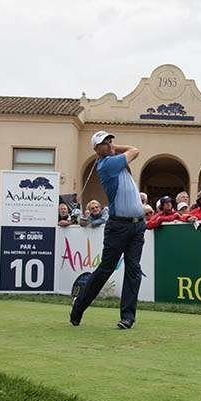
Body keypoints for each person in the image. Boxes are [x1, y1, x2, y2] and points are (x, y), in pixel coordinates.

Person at [71, 130, 146, 330]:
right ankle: (79, 306)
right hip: (118, 226)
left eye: (111, 140)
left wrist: (110, 148)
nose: (110, 144)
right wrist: (112, 150)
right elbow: (135, 150)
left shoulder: (114, 161)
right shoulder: (107, 164)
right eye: (105, 143)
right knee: (106, 269)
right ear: (97, 149)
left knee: (133, 270)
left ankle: (128, 317)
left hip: (137, 225)